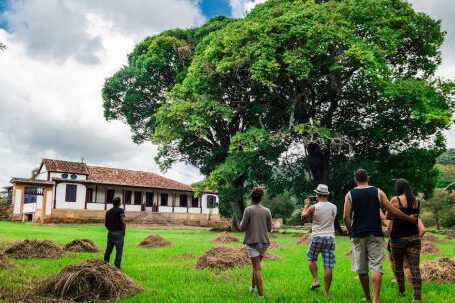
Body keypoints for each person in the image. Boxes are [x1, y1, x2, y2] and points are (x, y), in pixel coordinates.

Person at [343, 169, 418, 303]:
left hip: (358, 234)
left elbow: (345, 217)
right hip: (376, 234)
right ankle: (375, 299)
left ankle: (367, 296)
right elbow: (393, 210)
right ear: (368, 178)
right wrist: (409, 218)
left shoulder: (350, 194)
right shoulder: (378, 192)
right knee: (376, 266)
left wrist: (350, 231)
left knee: (361, 268)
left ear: (355, 179)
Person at [385, 179, 423, 302]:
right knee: (415, 267)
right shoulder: (417, 201)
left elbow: (387, 216)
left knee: (398, 265)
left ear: (398, 188)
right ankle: (417, 297)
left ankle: (402, 291)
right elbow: (416, 217)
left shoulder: (395, 200)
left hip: (397, 238)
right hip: (414, 237)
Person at [301, 184, 337, 297]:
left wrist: (306, 205)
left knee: (311, 258)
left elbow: (303, 217)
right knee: (328, 266)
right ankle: (326, 293)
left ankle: (316, 280)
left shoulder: (314, 207)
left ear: (317, 194)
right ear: (327, 194)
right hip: (330, 237)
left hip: (317, 236)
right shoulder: (334, 207)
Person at [240, 187, 273, 300]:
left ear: (251, 197)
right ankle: (253, 288)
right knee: (256, 267)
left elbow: (242, 227)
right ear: (261, 197)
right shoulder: (267, 210)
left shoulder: (248, 210)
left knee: (257, 268)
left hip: (252, 242)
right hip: (264, 243)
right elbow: (269, 228)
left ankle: (261, 296)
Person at [104, 197, 126, 269]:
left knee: (108, 249)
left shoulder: (108, 212)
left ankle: (105, 264)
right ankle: (117, 266)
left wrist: (110, 230)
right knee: (119, 250)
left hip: (110, 233)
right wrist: (124, 231)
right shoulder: (121, 210)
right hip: (119, 233)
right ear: (119, 203)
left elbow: (105, 224)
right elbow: (123, 222)